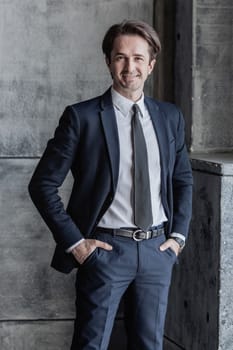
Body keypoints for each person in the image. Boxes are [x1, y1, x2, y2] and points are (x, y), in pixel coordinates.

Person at [29, 20, 193, 350]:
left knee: (149, 345)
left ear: (151, 64)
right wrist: (76, 244)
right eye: (120, 57)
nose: (129, 67)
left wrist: (177, 238)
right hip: (105, 251)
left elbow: (182, 179)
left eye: (137, 58)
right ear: (108, 61)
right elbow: (43, 185)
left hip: (157, 250)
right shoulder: (82, 117)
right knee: (91, 345)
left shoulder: (169, 116)